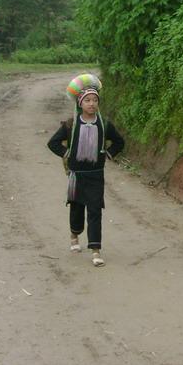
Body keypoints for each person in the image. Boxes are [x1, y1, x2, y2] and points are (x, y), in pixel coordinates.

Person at [47, 74, 124, 267]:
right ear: (80, 103)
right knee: (77, 208)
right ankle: (74, 235)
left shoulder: (104, 125)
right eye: (87, 100)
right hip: (76, 176)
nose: (91, 104)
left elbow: (120, 142)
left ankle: (96, 250)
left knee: (95, 211)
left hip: (96, 175)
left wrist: (108, 153)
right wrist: (67, 154)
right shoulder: (70, 125)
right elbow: (52, 143)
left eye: (95, 100)